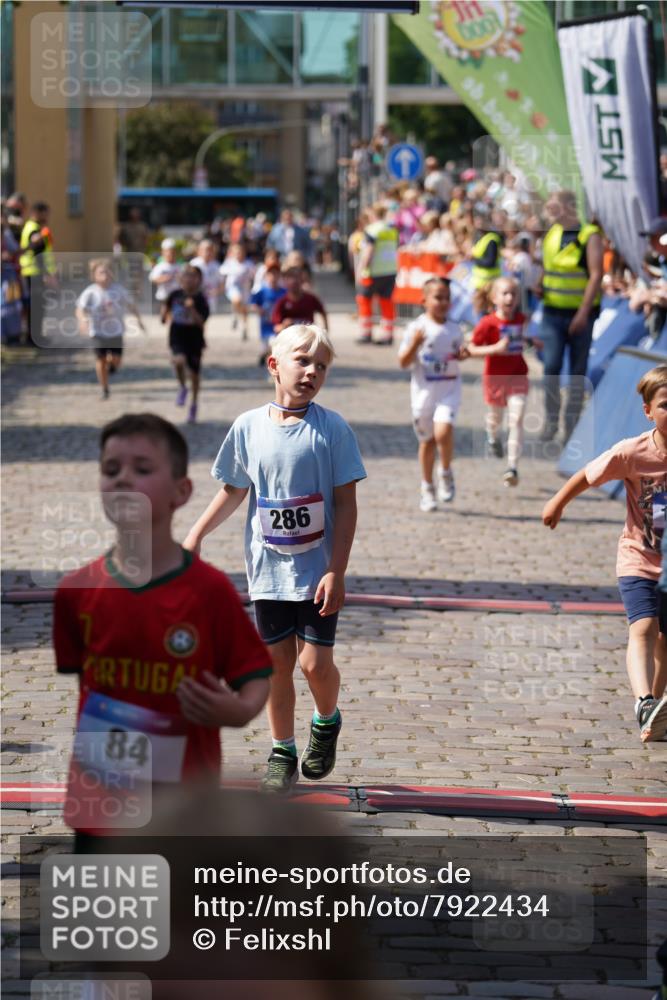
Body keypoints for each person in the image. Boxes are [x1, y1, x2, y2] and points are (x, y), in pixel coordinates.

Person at [53, 413, 272, 840]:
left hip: (184, 813)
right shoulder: (75, 590)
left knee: (174, 908)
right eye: (111, 470)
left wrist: (240, 710)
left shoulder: (210, 592)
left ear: (181, 492)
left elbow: (255, 676)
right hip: (100, 809)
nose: (122, 479)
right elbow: (89, 684)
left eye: (142, 468)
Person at [183, 324, 366, 793]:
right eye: (302, 361)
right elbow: (234, 490)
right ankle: (281, 748)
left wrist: (337, 570)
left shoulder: (333, 429)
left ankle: (326, 722)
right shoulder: (248, 427)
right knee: (275, 665)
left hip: (318, 572)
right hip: (267, 571)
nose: (312, 372)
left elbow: (345, 503)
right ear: (274, 366)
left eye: (321, 365)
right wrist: (196, 534)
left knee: (313, 665)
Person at [542, 365, 667, 742]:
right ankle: (644, 701)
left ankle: (656, 715)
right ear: (648, 411)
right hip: (638, 557)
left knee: (666, 641)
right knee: (644, 628)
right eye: (665, 404)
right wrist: (558, 502)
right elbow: (589, 474)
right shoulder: (633, 451)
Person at [537, 189, 603, 442]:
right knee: (551, 367)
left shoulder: (590, 235)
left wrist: (583, 313)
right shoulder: (552, 233)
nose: (549, 207)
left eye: (553, 203)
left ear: (568, 206)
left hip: (580, 316)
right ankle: (552, 419)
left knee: (577, 371)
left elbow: (596, 275)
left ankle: (570, 425)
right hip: (552, 312)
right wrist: (539, 284)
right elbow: (548, 267)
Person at [398, 277, 465, 511]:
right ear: (424, 300)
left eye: (447, 297)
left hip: (449, 390)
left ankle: (445, 471)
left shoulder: (455, 329)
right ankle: (427, 487)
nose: (443, 302)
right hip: (424, 395)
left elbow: (462, 352)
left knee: (443, 431)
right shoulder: (416, 328)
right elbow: (403, 362)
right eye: (438, 297)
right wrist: (415, 344)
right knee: (427, 442)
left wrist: (464, 353)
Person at [467, 276, 540, 487]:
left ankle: (512, 467)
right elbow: (470, 350)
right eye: (505, 294)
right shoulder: (487, 323)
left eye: (514, 294)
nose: (510, 298)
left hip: (518, 375)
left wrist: (531, 341)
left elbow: (522, 339)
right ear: (494, 298)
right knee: (495, 418)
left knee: (516, 420)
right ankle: (492, 436)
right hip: (494, 378)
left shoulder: (521, 319)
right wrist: (495, 349)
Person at [75, 258, 146, 400]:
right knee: (100, 359)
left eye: (107, 272)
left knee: (116, 360)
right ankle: (104, 389)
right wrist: (83, 320)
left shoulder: (119, 290)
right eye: (101, 273)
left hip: (116, 331)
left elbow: (131, 305)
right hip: (98, 332)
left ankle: (112, 366)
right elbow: (79, 309)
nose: (105, 275)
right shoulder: (90, 292)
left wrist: (139, 321)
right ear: (94, 276)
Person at [162, 264, 209, 423]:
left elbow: (202, 322)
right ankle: (182, 387)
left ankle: (194, 404)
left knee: (195, 375)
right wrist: (164, 314)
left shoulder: (201, 298)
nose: (189, 279)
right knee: (178, 361)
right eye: (186, 275)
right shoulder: (174, 294)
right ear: (180, 278)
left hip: (195, 338)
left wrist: (192, 309)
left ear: (199, 279)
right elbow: (166, 310)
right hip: (177, 335)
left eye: (193, 276)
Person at [356, 201, 398, 345]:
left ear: (373, 214)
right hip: (390, 271)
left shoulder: (372, 230)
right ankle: (388, 334)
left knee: (364, 301)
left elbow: (368, 251)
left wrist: (361, 270)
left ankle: (366, 333)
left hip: (373, 272)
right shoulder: (391, 229)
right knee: (386, 302)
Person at [19, 200, 56, 346]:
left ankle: (35, 336)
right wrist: (47, 274)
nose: (47, 217)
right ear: (37, 213)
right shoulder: (34, 229)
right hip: (34, 272)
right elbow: (37, 253)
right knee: (36, 307)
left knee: (36, 306)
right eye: (45, 214)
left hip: (33, 272)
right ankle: (34, 338)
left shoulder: (34, 227)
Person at [272, 264, 328, 334]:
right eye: (290, 277)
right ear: (285, 281)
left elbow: (323, 312)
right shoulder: (281, 302)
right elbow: (276, 328)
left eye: (296, 277)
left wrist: (325, 330)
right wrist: (284, 325)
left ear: (302, 279)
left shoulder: (311, 299)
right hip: (290, 341)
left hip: (308, 339)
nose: (293, 281)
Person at [250, 263, 285, 367]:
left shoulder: (284, 292)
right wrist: (259, 310)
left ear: (279, 276)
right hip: (266, 326)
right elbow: (252, 304)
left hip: (279, 327)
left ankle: (272, 369)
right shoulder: (262, 291)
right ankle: (264, 355)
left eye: (276, 274)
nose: (273, 277)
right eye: (270, 274)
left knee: (275, 347)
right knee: (268, 347)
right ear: (266, 276)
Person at [219, 242, 255, 340]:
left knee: (244, 309)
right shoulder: (229, 263)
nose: (239, 254)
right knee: (237, 300)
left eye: (241, 252)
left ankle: (244, 326)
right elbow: (222, 273)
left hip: (245, 289)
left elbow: (253, 276)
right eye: (237, 252)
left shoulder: (249, 264)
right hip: (232, 288)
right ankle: (235, 314)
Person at [469, 209, 503, 291]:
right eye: (476, 221)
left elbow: (490, 262)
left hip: (489, 283)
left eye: (481, 221)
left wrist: (474, 259)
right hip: (480, 283)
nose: (478, 223)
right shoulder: (479, 236)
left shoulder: (492, 239)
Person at [189, 238, 222, 313]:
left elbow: (222, 282)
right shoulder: (194, 264)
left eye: (210, 250)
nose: (208, 252)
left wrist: (217, 291)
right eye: (205, 249)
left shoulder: (216, 266)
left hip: (211, 298)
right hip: (196, 296)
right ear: (199, 251)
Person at [149, 238, 181, 306]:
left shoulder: (179, 266)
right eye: (167, 252)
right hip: (164, 298)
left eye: (172, 252)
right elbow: (153, 279)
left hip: (177, 298)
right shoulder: (160, 266)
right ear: (163, 252)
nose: (170, 254)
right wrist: (165, 278)